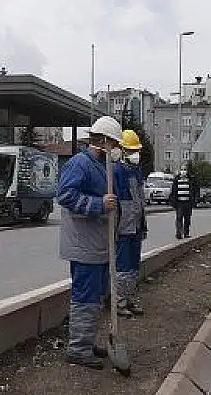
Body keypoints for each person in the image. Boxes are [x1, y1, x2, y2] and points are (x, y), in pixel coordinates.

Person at [57, 115, 122, 369]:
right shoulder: (79, 164)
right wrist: (98, 204)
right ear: (103, 141)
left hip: (98, 244)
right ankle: (78, 348)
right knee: (85, 296)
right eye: (114, 143)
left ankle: (86, 341)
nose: (116, 149)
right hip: (84, 245)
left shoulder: (101, 165)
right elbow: (65, 195)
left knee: (95, 295)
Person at [114, 130, 148, 318]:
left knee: (134, 266)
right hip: (123, 227)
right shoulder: (116, 171)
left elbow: (140, 201)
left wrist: (143, 224)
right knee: (123, 267)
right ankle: (119, 303)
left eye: (136, 150)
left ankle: (129, 299)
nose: (135, 154)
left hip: (135, 226)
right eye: (130, 150)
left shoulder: (136, 170)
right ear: (122, 151)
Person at [169, 164, 196, 239]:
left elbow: (194, 190)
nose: (183, 171)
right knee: (179, 218)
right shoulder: (176, 179)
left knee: (187, 219)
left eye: (185, 169)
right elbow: (173, 191)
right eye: (182, 169)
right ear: (180, 170)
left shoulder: (190, 179)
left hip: (188, 202)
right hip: (179, 202)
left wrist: (193, 201)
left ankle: (186, 233)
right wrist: (173, 202)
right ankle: (179, 233)